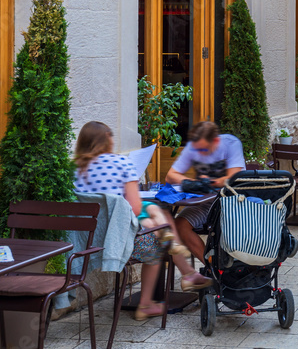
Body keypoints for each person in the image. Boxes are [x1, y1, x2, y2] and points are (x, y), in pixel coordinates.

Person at [74, 122, 211, 320]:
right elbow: (135, 208)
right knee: (157, 234)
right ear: (106, 138)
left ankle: (186, 271)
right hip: (122, 241)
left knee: (155, 216)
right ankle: (151, 300)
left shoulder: (75, 171)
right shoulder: (121, 164)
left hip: (91, 242)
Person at [165, 120, 245, 265]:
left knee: (227, 228)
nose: (200, 154)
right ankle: (212, 269)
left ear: (215, 140)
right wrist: (192, 183)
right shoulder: (194, 146)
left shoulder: (231, 144)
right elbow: (171, 175)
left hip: (233, 201)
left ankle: (233, 269)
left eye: (204, 150)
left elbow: (234, 178)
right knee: (180, 225)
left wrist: (208, 182)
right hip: (206, 201)